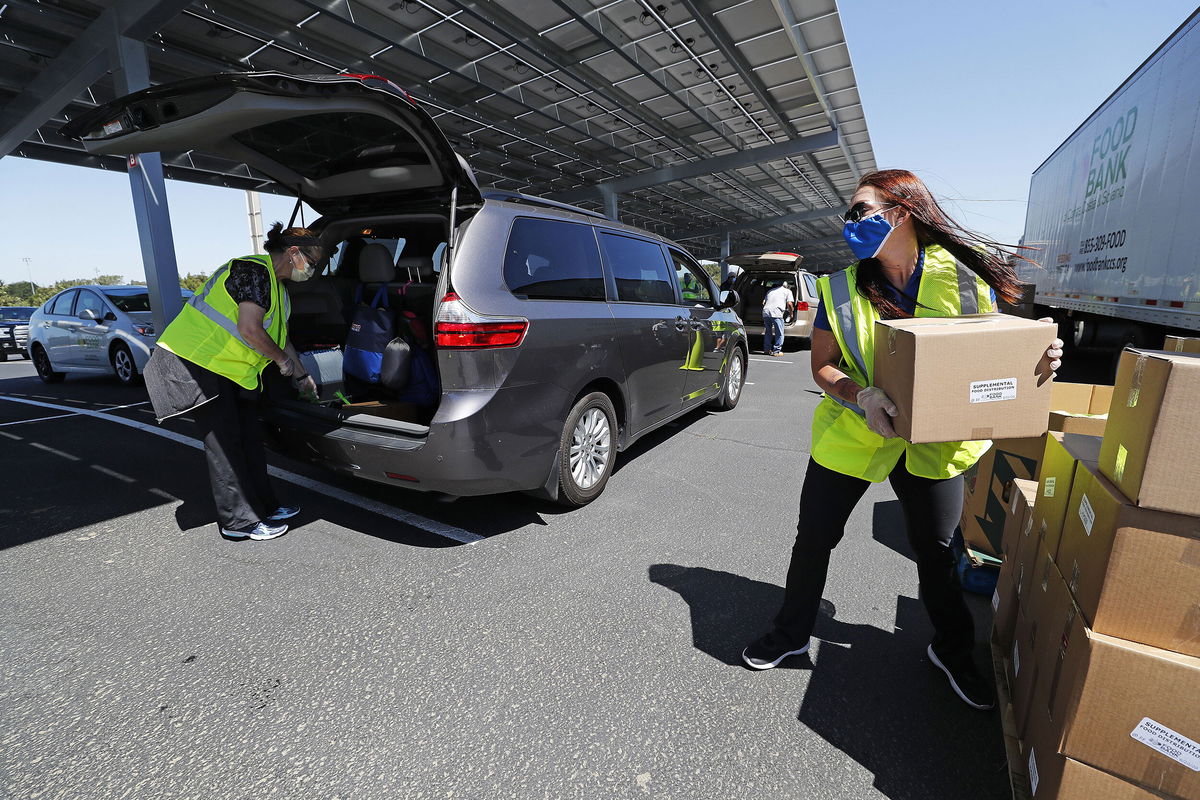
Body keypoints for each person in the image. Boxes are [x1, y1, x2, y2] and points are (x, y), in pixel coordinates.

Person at [740, 170, 1064, 710]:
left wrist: (1040, 359)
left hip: (935, 442)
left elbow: (1001, 353)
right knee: (814, 536)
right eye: (849, 214)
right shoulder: (842, 288)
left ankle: (953, 650)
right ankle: (792, 632)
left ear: (903, 212)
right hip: (857, 431)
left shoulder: (962, 284)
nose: (851, 223)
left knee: (938, 551)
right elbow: (823, 366)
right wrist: (861, 396)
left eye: (861, 210)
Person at [144, 222, 323, 542]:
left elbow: (282, 340)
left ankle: (265, 508)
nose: (313, 268)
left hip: (229, 371)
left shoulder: (278, 288)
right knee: (225, 447)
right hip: (195, 363)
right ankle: (237, 522)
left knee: (249, 440)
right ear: (294, 253)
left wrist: (301, 375)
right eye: (312, 261)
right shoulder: (252, 271)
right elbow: (250, 328)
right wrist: (282, 362)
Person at [761, 280, 795, 356]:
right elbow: (789, 304)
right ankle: (777, 351)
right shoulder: (787, 291)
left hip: (766, 312)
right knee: (779, 333)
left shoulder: (770, 291)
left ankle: (767, 349)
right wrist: (791, 314)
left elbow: (763, 302)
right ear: (786, 286)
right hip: (777, 313)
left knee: (768, 331)